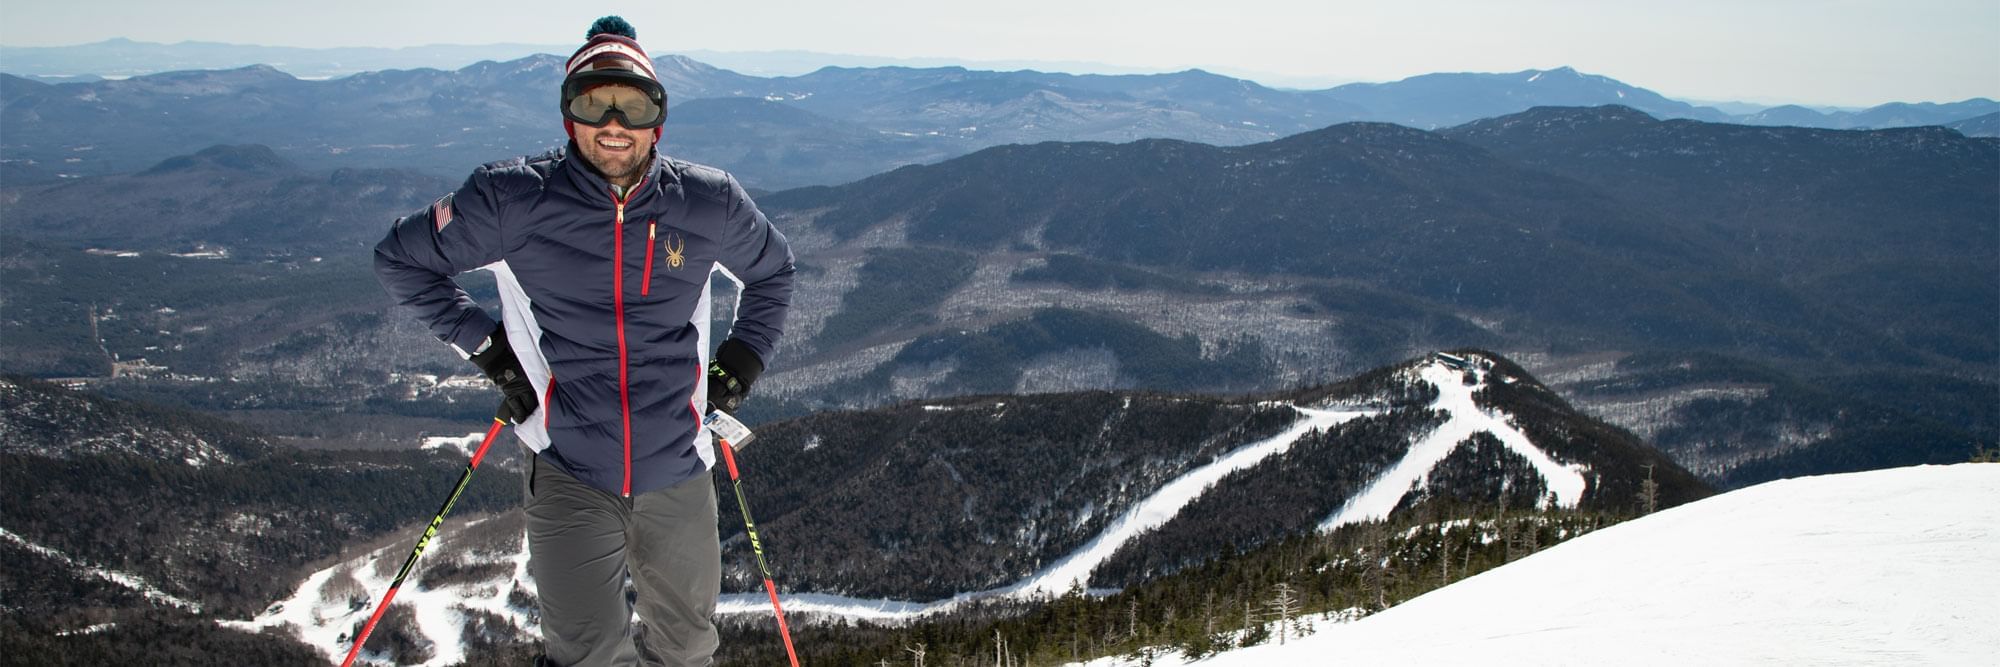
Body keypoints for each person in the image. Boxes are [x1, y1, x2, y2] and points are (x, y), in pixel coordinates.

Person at [372, 16, 794, 666]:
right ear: (571, 116)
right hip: (569, 468)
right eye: (595, 103)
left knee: (686, 652)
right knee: (586, 657)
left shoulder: (708, 202)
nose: (615, 123)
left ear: (660, 118)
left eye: (635, 104)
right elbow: (403, 257)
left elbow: (773, 271)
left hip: (678, 466)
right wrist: (486, 348)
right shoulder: (512, 200)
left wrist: (739, 364)